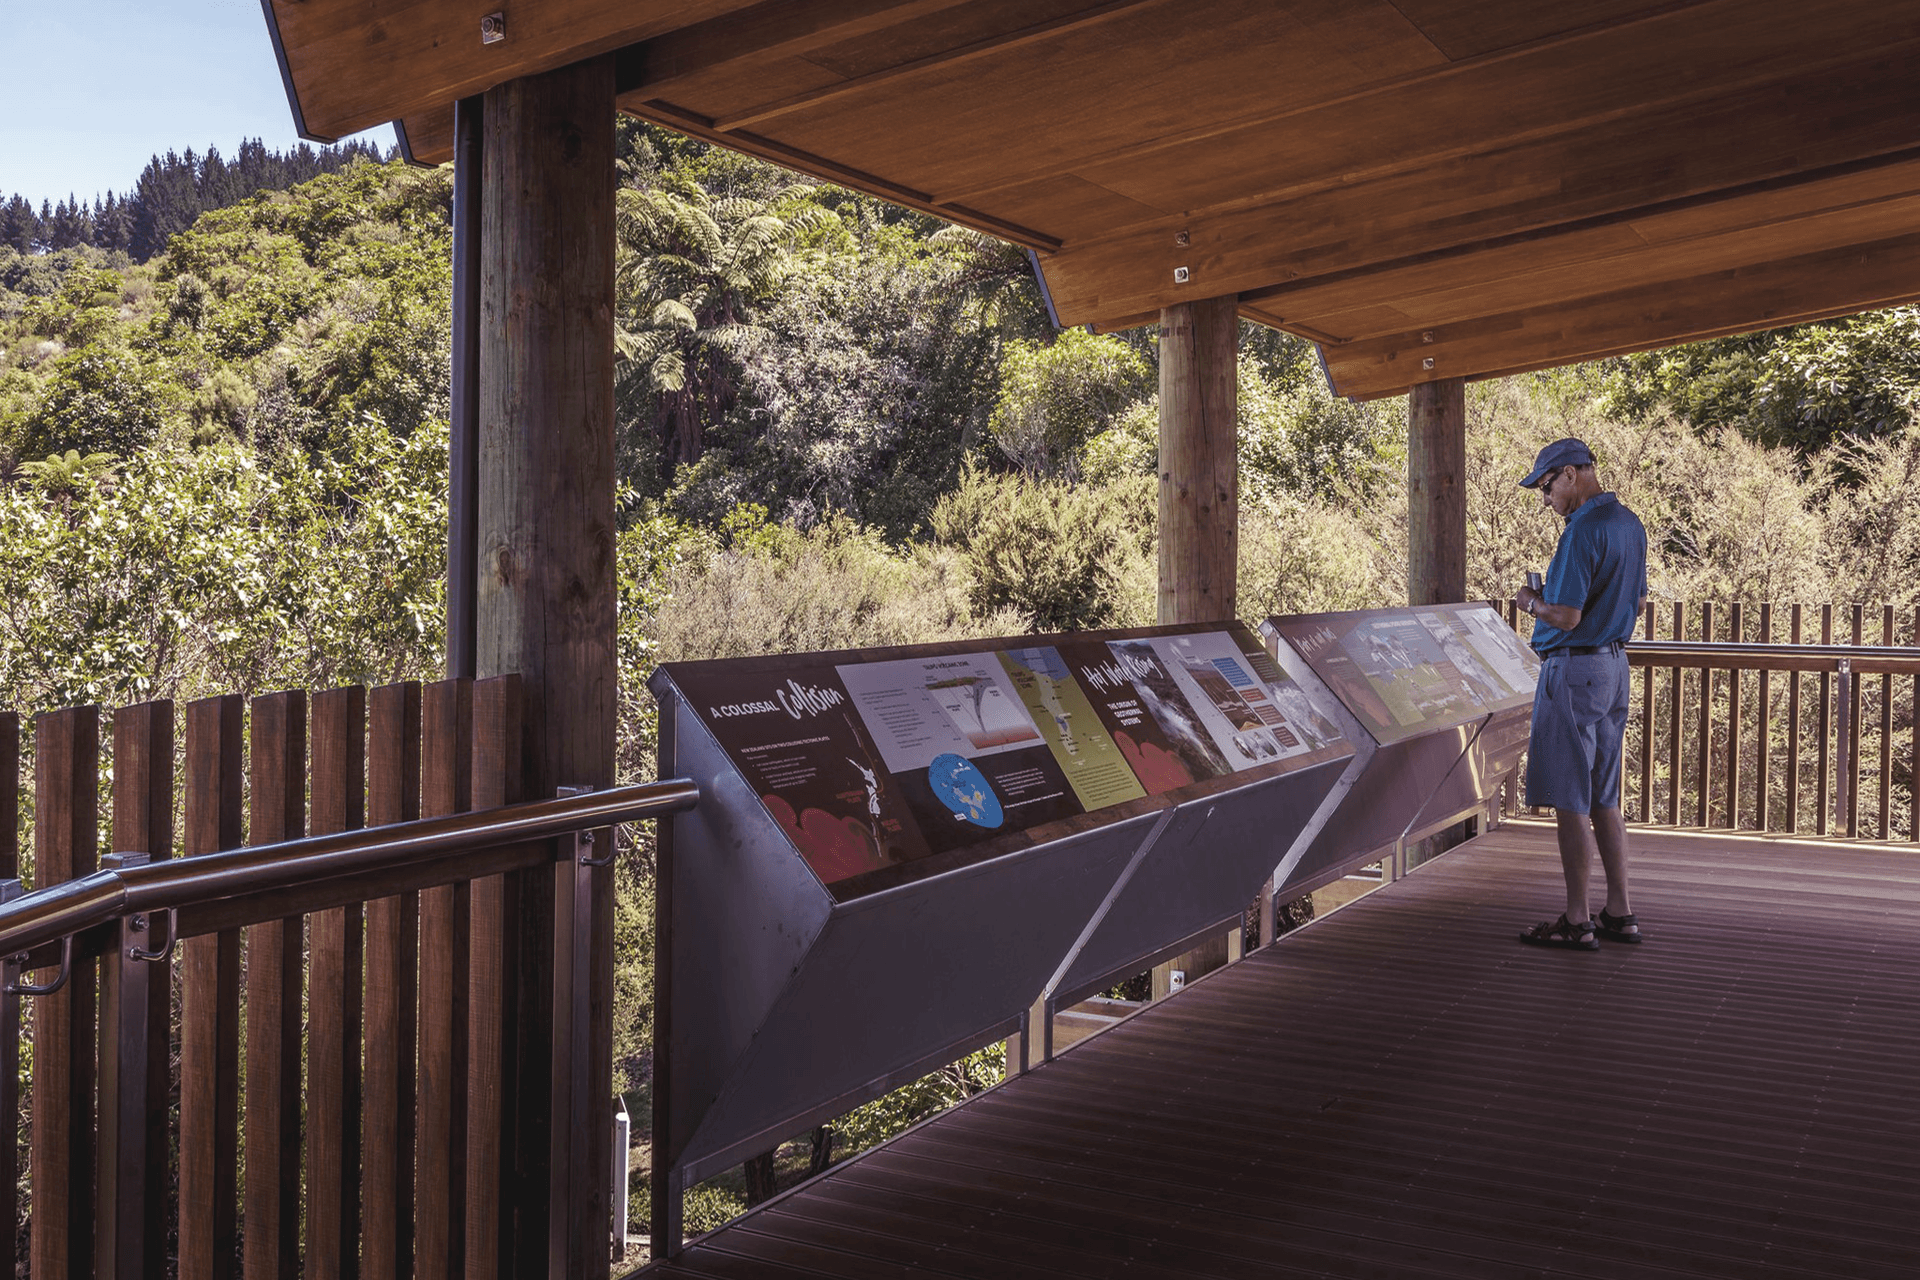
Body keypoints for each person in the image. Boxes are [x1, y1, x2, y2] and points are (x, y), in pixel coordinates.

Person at [1511, 438, 1648, 950]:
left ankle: (1576, 919)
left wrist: (1530, 602)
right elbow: (1637, 603)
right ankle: (1620, 912)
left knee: (1571, 800)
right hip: (1614, 666)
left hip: (1573, 672)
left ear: (1571, 474)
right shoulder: (1630, 524)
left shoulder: (1581, 531)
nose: (1546, 498)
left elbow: (1566, 617)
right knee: (1604, 797)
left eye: (1547, 487)